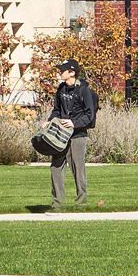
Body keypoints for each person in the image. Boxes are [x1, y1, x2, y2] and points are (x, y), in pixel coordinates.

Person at [48, 58, 97, 206]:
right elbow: (56, 110)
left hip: (78, 135)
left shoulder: (84, 89)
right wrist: (50, 121)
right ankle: (57, 202)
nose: (60, 72)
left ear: (72, 72)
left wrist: (74, 123)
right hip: (61, 134)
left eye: (62, 70)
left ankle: (81, 202)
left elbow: (90, 114)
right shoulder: (61, 88)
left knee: (77, 167)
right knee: (56, 166)